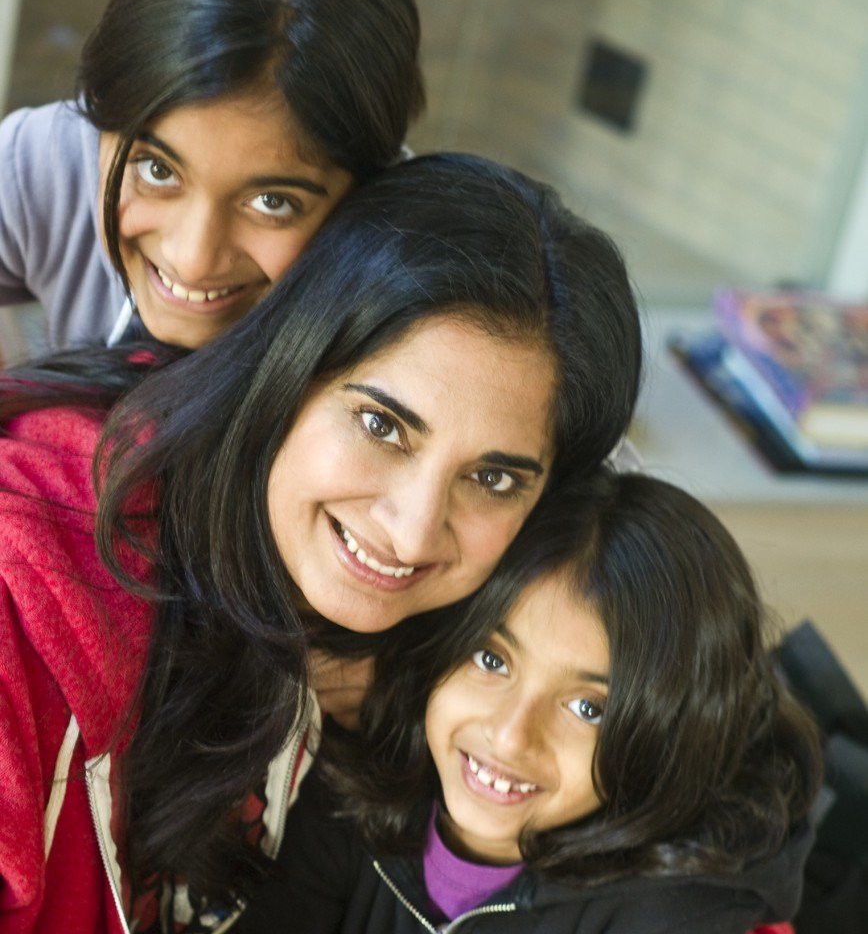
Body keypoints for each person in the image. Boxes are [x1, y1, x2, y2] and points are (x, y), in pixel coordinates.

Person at [0, 153, 642, 933]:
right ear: (287, 369)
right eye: (381, 426)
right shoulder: (32, 576)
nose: (409, 531)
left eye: (494, 479)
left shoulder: (482, 644)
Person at [236, 469, 823, 934]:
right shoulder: (350, 788)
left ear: (670, 737)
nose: (513, 735)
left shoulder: (677, 915)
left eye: (589, 708)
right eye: (492, 661)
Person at [0, 0, 424, 354]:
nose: (193, 260)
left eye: (272, 202)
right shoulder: (50, 161)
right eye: (157, 170)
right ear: (101, 108)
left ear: (369, 191)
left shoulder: (407, 316)